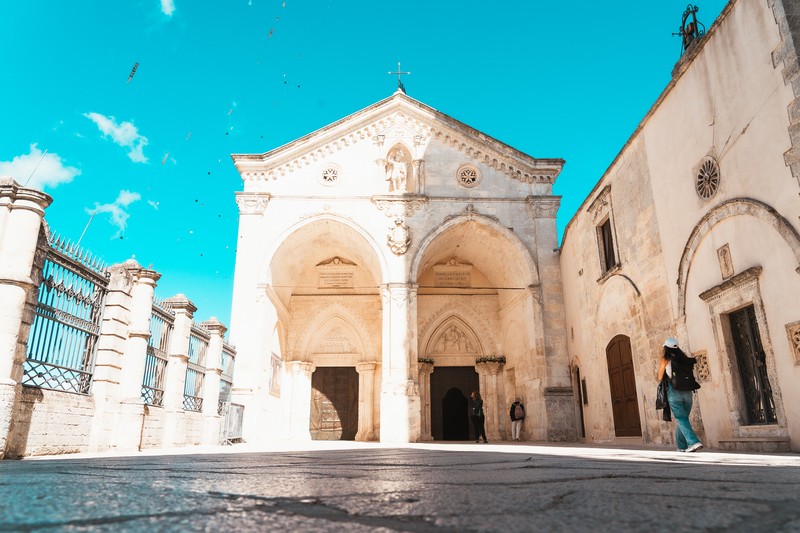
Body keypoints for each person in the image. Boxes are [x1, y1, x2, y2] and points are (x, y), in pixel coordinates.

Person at [657, 337, 703, 452]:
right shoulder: (685, 359)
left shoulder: (665, 359)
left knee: (681, 418)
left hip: (674, 392)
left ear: (665, 348)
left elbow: (659, 376)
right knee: (683, 419)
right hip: (687, 393)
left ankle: (693, 442)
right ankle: (681, 446)